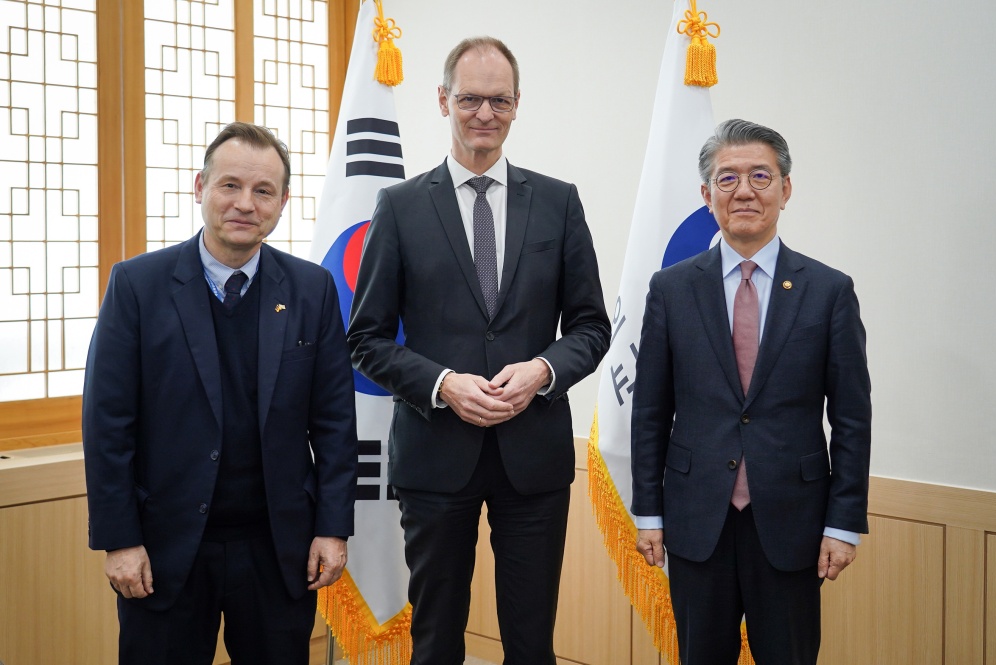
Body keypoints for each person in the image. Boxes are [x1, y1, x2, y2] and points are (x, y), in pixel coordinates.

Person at [347, 36, 611, 665]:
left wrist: (545, 369)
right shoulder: (401, 206)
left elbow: (592, 326)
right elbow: (365, 338)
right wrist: (442, 384)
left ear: (518, 105)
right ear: (443, 100)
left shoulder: (559, 201)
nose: (484, 114)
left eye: (499, 100)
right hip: (435, 457)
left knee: (531, 640)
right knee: (436, 640)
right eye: (470, 99)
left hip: (535, 459)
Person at [82, 122, 359, 665]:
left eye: (263, 191)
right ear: (200, 187)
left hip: (278, 548)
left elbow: (333, 420)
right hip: (164, 547)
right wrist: (119, 539)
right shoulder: (137, 285)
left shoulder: (311, 288)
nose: (245, 204)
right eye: (229, 185)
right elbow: (107, 422)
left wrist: (332, 527)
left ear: (282, 202)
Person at [630, 119, 872, 665]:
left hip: (792, 522)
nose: (744, 191)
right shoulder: (670, 290)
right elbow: (649, 411)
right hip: (696, 522)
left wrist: (843, 522)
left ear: (786, 189)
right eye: (727, 178)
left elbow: (853, 419)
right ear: (706, 194)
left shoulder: (829, 291)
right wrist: (649, 513)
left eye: (760, 176)